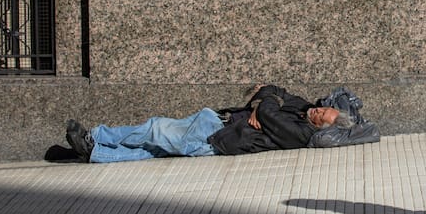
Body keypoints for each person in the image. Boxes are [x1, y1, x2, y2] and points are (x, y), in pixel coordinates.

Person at [65, 84, 353, 163]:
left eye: (321, 117)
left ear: (321, 129)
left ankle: (94, 136)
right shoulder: (301, 107)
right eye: (323, 108)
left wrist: (265, 106)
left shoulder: (299, 134)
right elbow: (274, 90)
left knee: (155, 128)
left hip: (217, 136)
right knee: (154, 148)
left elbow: (269, 109)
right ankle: (95, 153)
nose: (317, 111)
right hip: (216, 120)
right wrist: (263, 101)